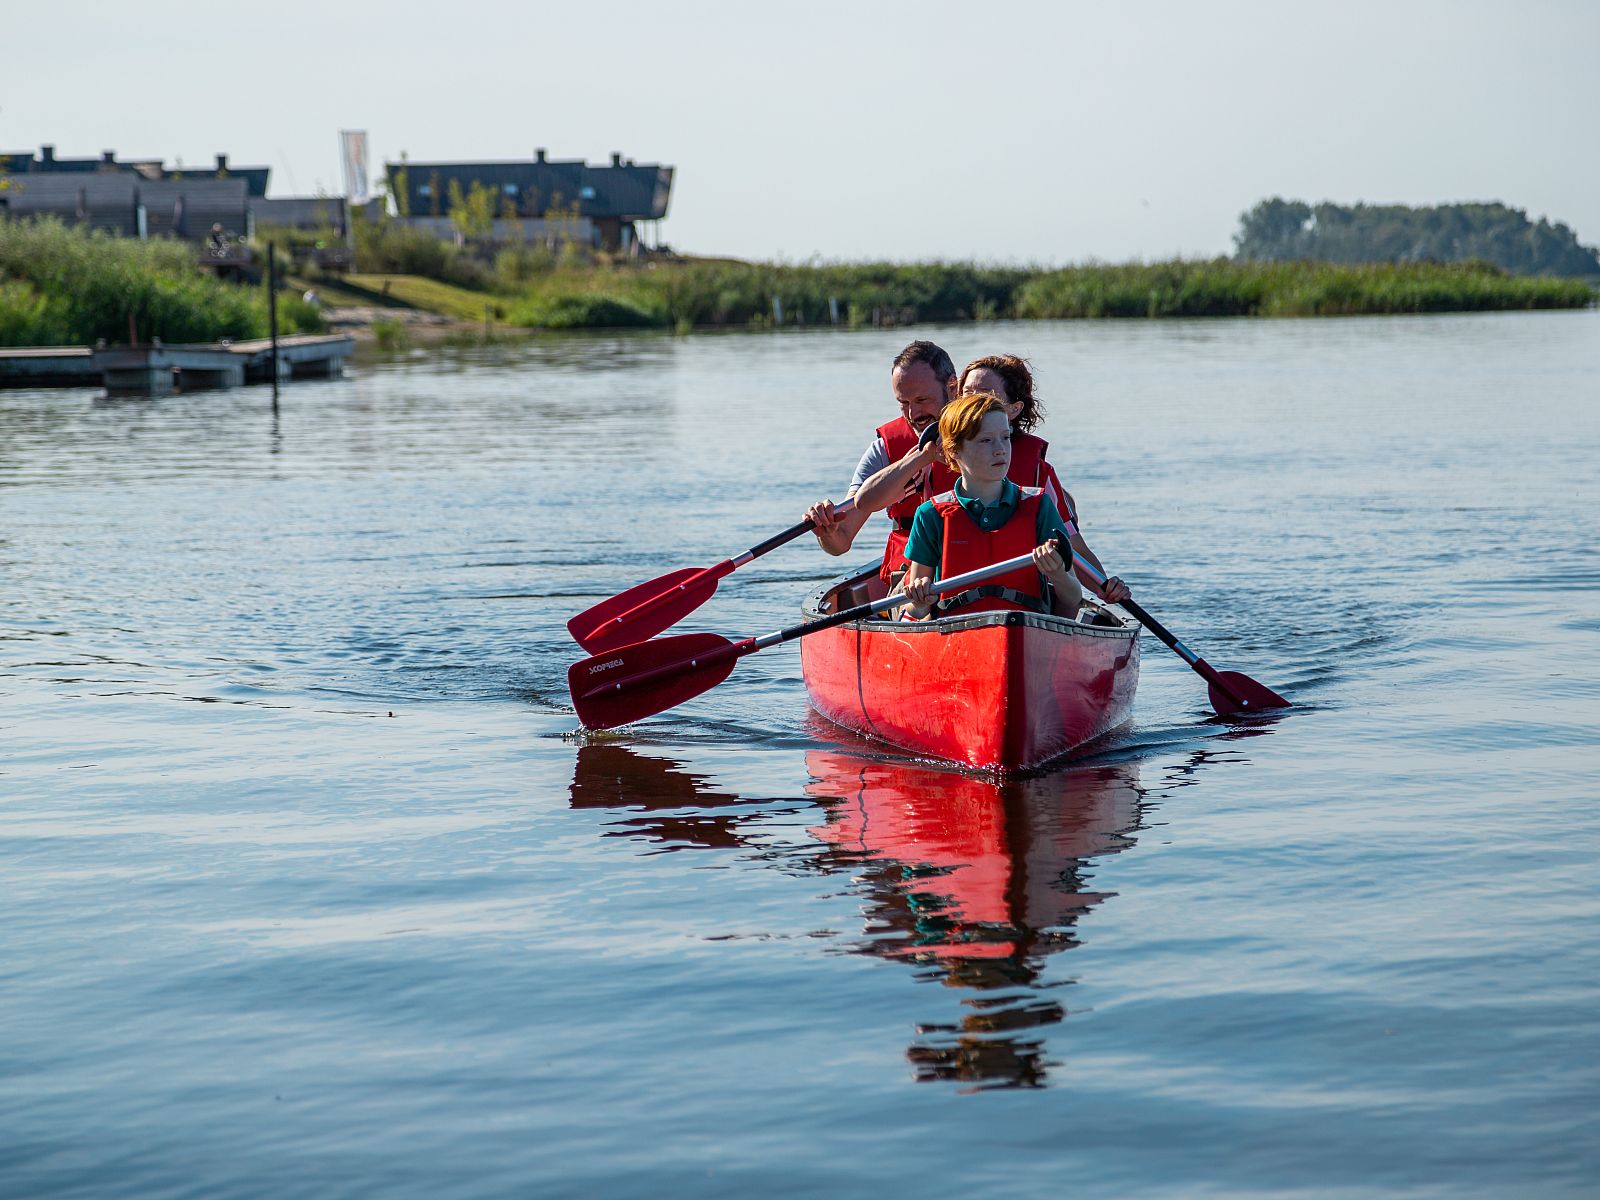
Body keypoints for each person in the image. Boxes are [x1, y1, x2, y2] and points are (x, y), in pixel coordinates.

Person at [854, 353, 1130, 604]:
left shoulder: (1037, 482)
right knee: (909, 598)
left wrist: (1104, 588)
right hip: (942, 596)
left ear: (1012, 410)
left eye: (985, 394)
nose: (973, 401)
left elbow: (1075, 549)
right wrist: (921, 458)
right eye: (967, 393)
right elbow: (865, 501)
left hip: (1020, 601)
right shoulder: (934, 456)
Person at [900, 392, 1084, 621]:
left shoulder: (1039, 505)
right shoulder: (930, 515)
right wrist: (918, 602)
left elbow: (1073, 597)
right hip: (955, 638)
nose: (1000, 449)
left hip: (1026, 633)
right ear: (954, 450)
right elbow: (916, 611)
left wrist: (1058, 575)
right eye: (986, 440)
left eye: (1005, 437)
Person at [804, 340, 958, 586]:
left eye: (922, 400)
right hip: (911, 582)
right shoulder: (885, 448)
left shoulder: (992, 438)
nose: (913, 414)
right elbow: (841, 542)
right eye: (904, 403)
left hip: (974, 567)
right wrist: (828, 533)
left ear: (952, 387)